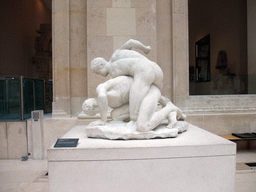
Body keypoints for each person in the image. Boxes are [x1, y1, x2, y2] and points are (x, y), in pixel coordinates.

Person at [90, 39, 164, 122]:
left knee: (134, 115)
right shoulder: (116, 54)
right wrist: (145, 48)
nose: (100, 75)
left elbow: (127, 86)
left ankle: (166, 111)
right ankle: (166, 105)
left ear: (101, 65)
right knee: (150, 93)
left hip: (144, 72)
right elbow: (131, 42)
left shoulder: (113, 71)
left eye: (98, 72)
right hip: (156, 69)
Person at [82, 75, 186, 132]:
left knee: (143, 127)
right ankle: (165, 113)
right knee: (115, 115)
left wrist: (103, 120)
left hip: (150, 92)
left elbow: (102, 97)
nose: (98, 109)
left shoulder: (102, 89)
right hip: (145, 98)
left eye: (95, 109)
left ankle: (169, 108)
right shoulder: (112, 104)